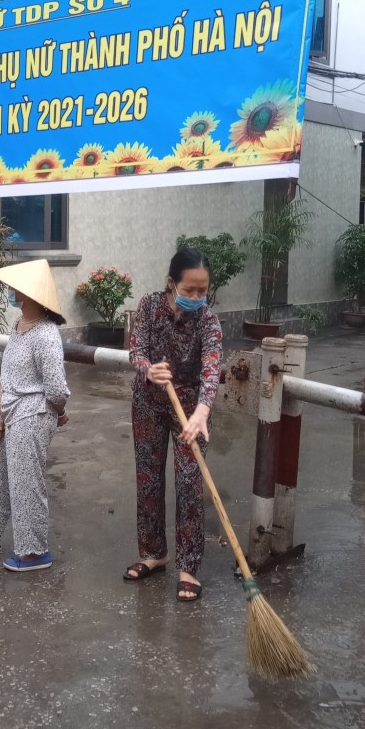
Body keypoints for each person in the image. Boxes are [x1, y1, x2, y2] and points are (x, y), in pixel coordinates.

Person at [125, 247, 222, 602]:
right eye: (189, 290)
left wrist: (202, 411)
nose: (197, 297)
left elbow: (212, 367)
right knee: (148, 478)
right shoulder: (150, 306)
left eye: (203, 290)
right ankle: (154, 553)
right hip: (149, 403)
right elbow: (137, 351)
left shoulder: (208, 321)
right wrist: (147, 369)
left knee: (189, 484)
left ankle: (188, 567)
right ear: (171, 283)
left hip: (191, 412)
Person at [0, 259, 69, 573]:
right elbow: (8, 374)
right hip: (11, 411)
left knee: (25, 483)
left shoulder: (47, 335)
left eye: (15, 287)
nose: (10, 291)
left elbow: (57, 389)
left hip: (33, 414)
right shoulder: (19, 326)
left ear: (31, 293)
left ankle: (33, 552)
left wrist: (58, 413)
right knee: (1, 478)